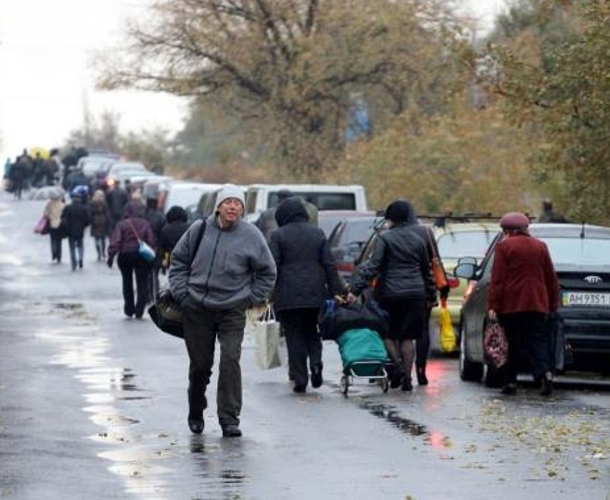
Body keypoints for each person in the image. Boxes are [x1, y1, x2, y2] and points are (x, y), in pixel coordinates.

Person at [169, 185, 277, 437]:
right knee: (201, 365)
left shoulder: (252, 235)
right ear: (218, 206)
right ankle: (196, 409)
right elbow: (178, 262)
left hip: (232, 309)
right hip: (197, 307)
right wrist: (182, 293)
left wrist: (252, 298)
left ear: (242, 208)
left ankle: (229, 418)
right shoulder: (199, 229)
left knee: (230, 361)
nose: (233, 207)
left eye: (237, 203)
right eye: (228, 202)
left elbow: (268, 271)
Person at [348, 200, 435, 391]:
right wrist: (431, 294)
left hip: (390, 294)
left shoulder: (385, 238)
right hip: (415, 294)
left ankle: (397, 368)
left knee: (387, 333)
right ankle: (408, 378)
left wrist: (355, 290)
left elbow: (373, 266)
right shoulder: (418, 240)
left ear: (391, 218)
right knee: (408, 338)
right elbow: (426, 270)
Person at [269, 197, 345, 393]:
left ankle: (301, 377)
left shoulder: (278, 236)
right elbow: (329, 264)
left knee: (294, 336)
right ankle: (316, 363)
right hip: (315, 293)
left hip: (287, 295)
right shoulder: (317, 233)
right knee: (312, 332)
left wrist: (267, 292)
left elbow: (273, 266)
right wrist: (338, 291)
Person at [486, 212, 560, 396]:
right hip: (537, 303)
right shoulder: (540, 246)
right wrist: (552, 304)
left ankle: (510, 382)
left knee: (512, 342)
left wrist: (493, 305)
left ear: (508, 230)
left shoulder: (504, 247)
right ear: (526, 228)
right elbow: (551, 278)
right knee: (536, 341)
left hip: (511, 304)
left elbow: (498, 279)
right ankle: (544, 374)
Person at [405, 210, 450, 386]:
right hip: (422, 290)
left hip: (394, 291)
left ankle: (401, 370)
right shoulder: (425, 232)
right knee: (422, 331)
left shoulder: (388, 233)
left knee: (399, 332)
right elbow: (435, 260)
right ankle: (421, 370)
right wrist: (441, 288)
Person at [107, 202, 157, 319]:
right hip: (141, 256)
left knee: (127, 282)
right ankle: (139, 310)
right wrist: (153, 254)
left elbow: (116, 241)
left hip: (125, 256)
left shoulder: (121, 224)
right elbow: (151, 240)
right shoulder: (145, 223)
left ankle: (129, 309)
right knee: (142, 283)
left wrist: (111, 256)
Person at [61, 187, 92, 271]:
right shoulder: (83, 208)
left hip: (70, 231)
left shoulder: (68, 208)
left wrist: (66, 227)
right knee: (80, 246)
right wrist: (84, 226)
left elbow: (63, 218)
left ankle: (73, 263)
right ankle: (81, 258)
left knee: (72, 248)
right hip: (80, 230)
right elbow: (88, 220)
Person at [144, 194, 167, 302]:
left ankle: (147, 295)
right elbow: (163, 235)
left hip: (144, 249)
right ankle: (155, 295)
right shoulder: (161, 217)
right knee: (155, 274)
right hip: (157, 248)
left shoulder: (142, 216)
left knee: (145, 273)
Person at [42, 193, 66, 263]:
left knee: (53, 240)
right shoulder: (63, 205)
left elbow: (45, 214)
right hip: (60, 225)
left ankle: (54, 254)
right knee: (59, 241)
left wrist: (50, 217)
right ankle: (59, 256)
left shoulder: (49, 204)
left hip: (52, 224)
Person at [89, 189, 111, 262]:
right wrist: (108, 221)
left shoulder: (92, 203)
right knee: (103, 238)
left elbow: (90, 213)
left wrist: (91, 221)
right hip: (103, 221)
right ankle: (103, 252)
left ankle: (98, 253)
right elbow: (107, 213)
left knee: (96, 238)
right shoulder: (104, 203)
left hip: (95, 222)